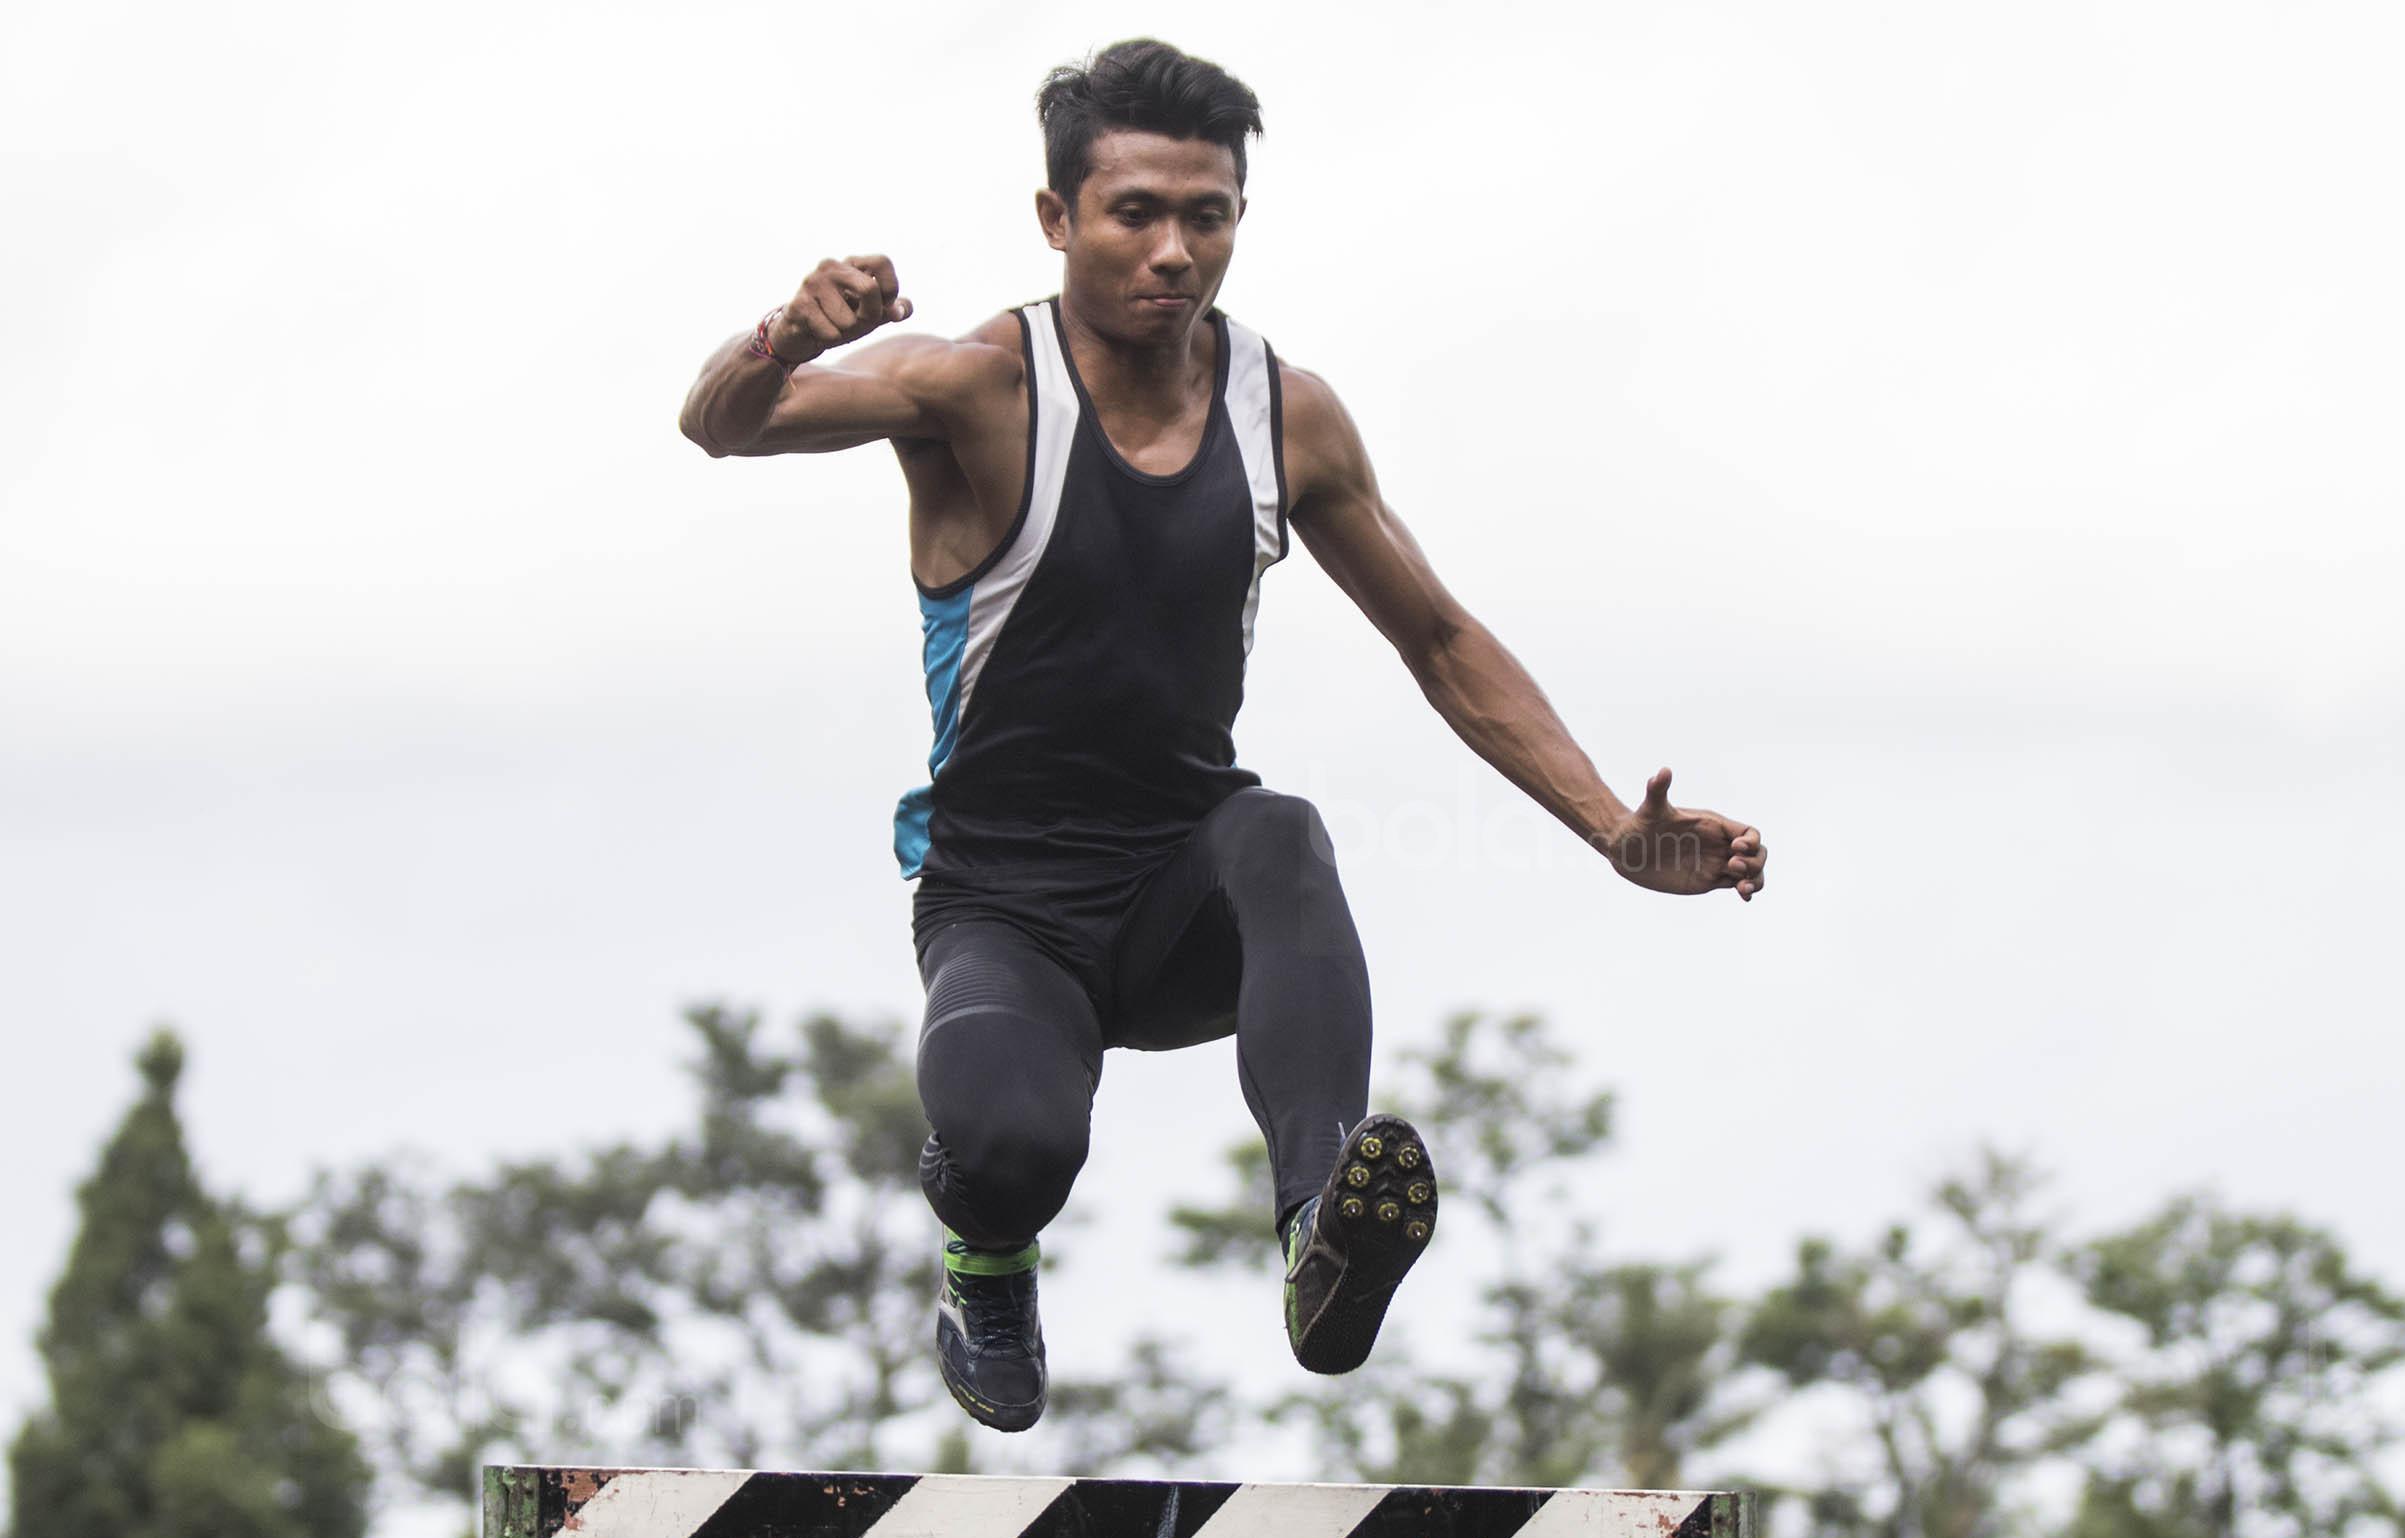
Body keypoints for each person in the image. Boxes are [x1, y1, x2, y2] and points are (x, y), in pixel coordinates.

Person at [674, 38, 1768, 1433]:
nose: (1177, 251)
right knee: (1010, 1144)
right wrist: (789, 332)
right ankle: (987, 1263)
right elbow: (722, 425)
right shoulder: (972, 386)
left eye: (1211, 215)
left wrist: (1614, 825)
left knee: (1278, 831)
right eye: (1137, 212)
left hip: (1188, 898)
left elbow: (1439, 639)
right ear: (1057, 218)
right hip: (1006, 910)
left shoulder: (1285, 415)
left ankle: (1321, 1228)